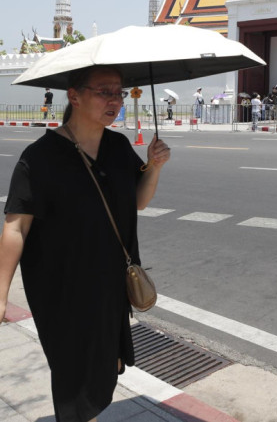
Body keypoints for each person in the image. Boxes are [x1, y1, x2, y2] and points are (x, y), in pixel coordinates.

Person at [0, 65, 170, 422]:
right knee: (75, 374)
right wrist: (0, 292)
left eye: (119, 93)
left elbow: (137, 201)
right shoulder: (40, 158)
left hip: (109, 283)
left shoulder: (118, 146)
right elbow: (16, 228)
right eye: (104, 91)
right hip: (61, 287)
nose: (115, 100)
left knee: (104, 367)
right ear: (74, 96)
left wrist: (153, 167)